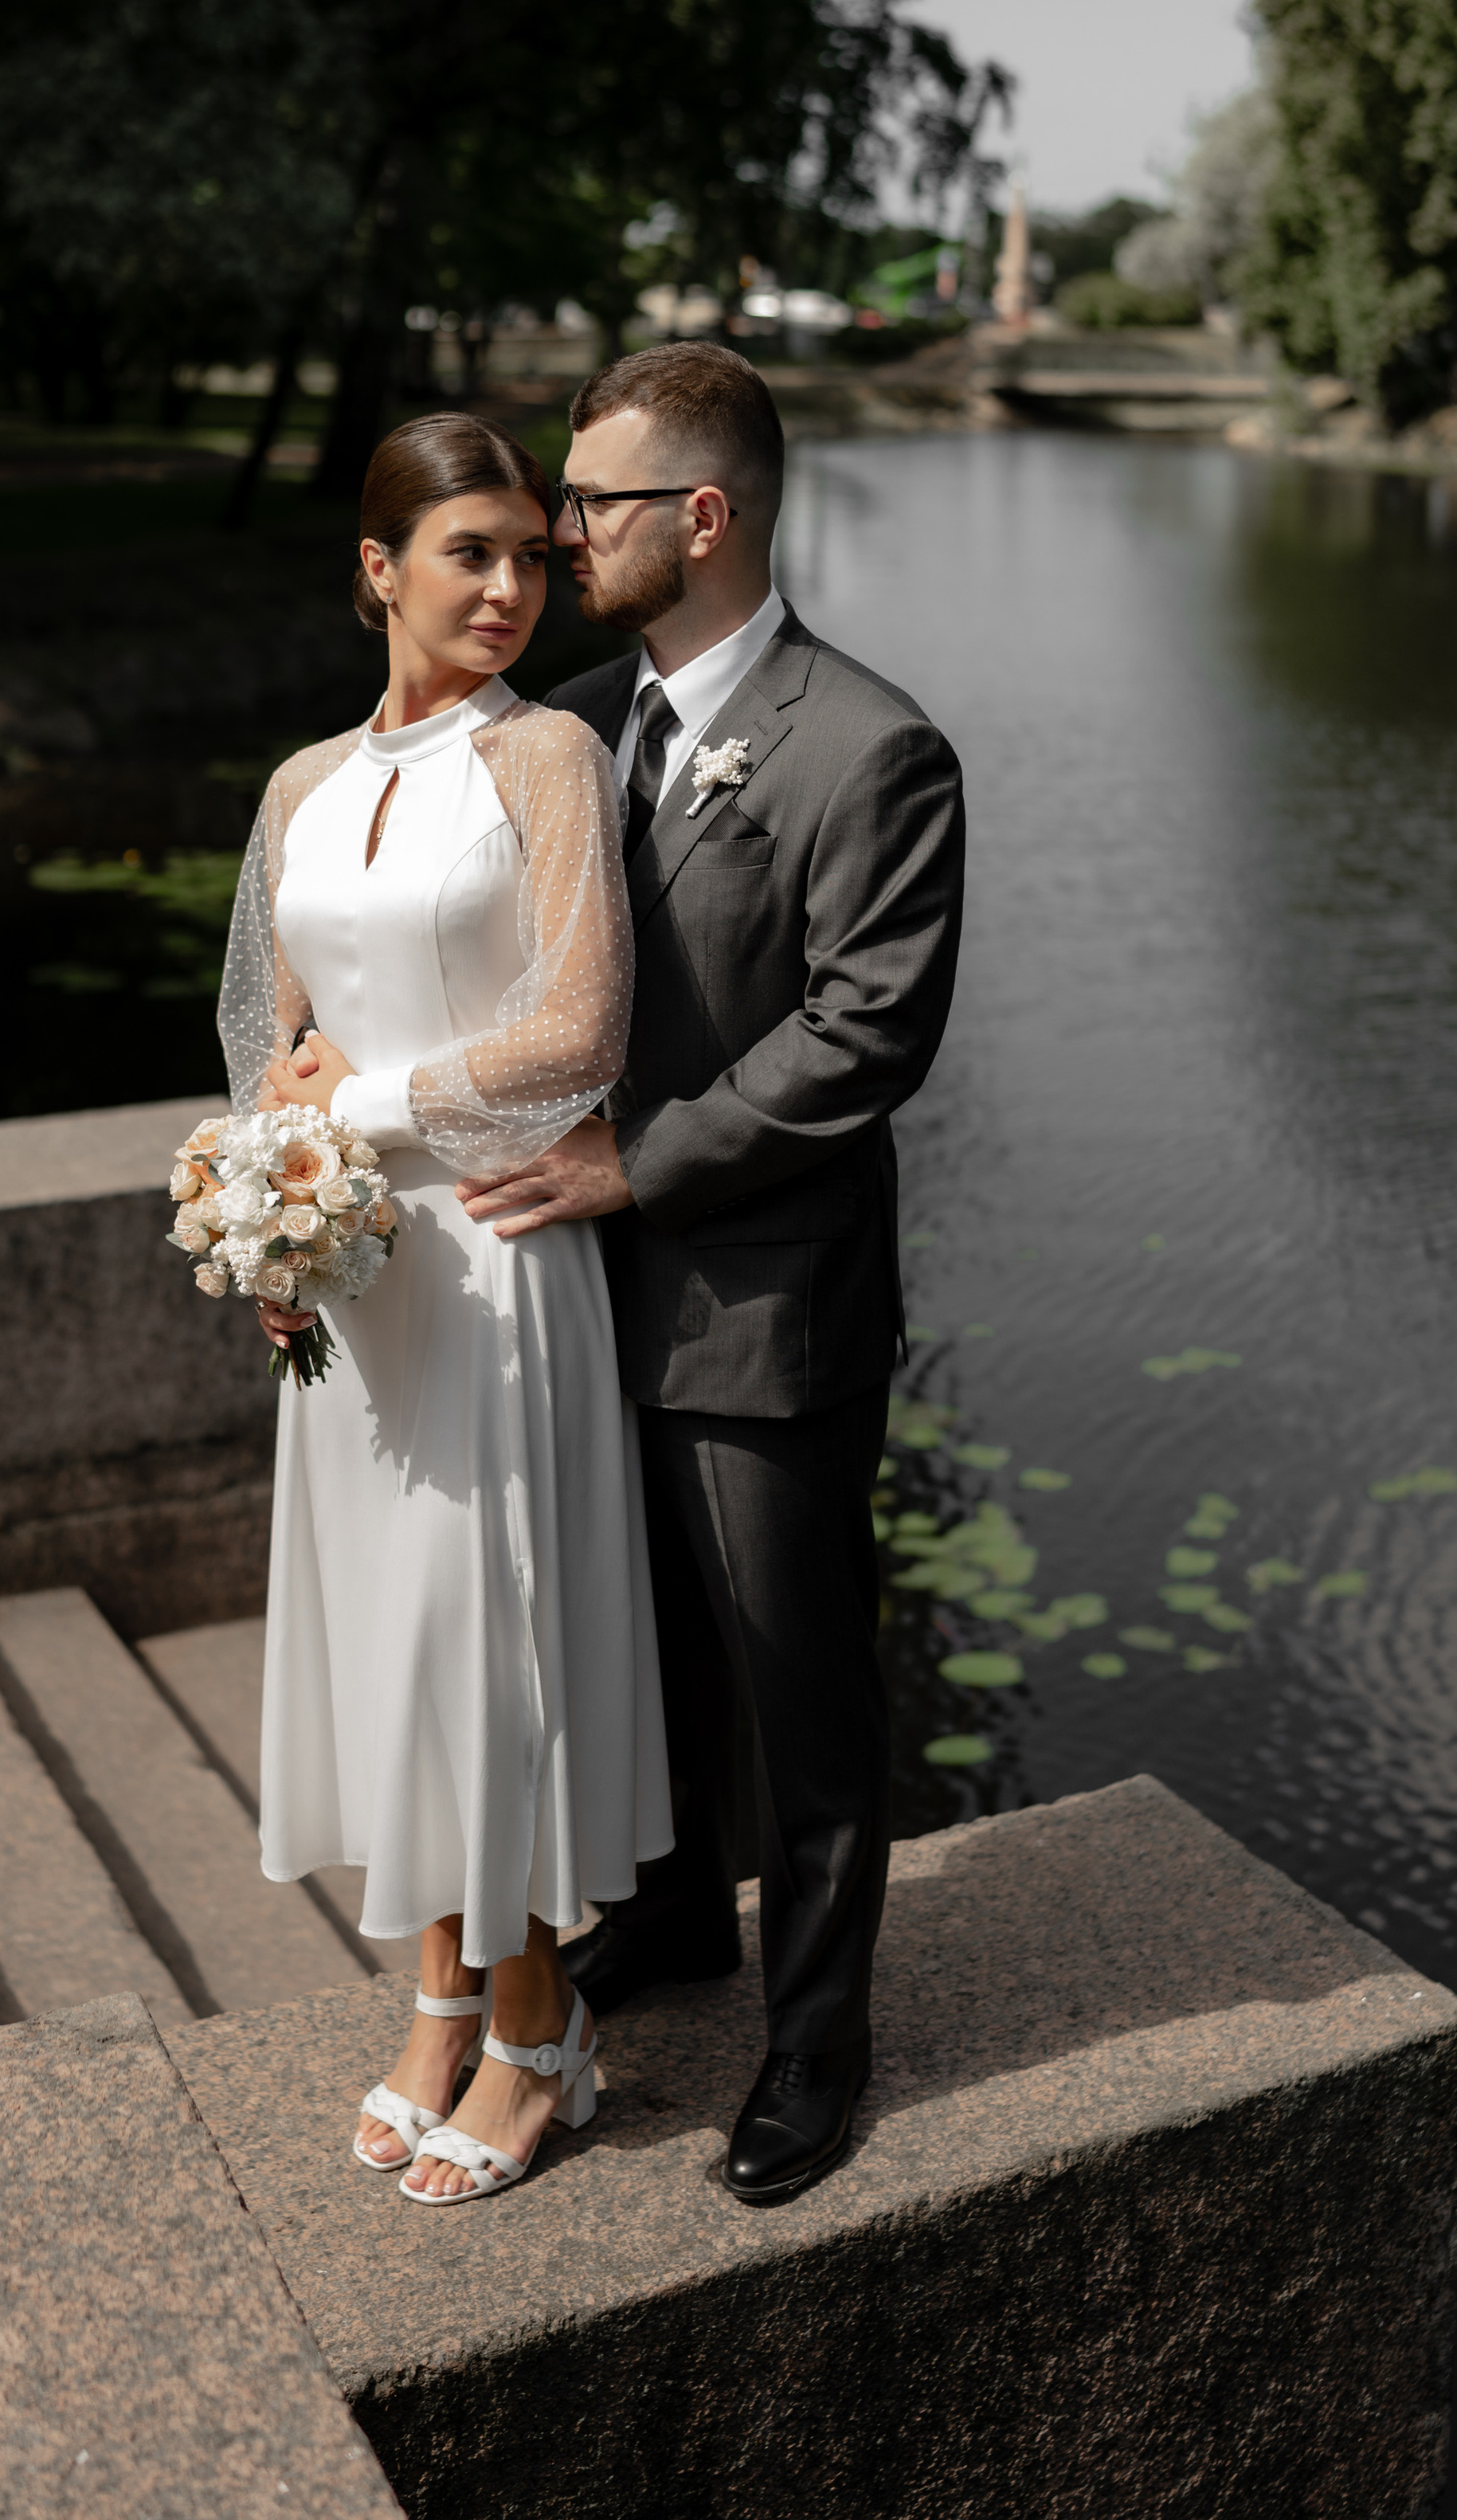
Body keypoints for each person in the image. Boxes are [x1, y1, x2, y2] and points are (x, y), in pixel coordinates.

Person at [456, 341, 965, 2203]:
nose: (557, 530)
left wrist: (632, 1165)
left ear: (703, 515)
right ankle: (669, 1926)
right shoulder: (573, 726)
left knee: (797, 1695)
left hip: (765, 1317)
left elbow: (861, 1040)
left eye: (590, 502)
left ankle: (816, 2049)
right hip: (581, 1307)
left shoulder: (871, 746)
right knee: (642, 1655)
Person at [221, 411, 671, 2208]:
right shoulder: (297, 790)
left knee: (490, 1651)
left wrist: (361, 1118)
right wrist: (270, 1208)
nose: (506, 587)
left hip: (493, 1252)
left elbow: (579, 1039)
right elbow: (262, 1027)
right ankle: (432, 1999)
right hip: (354, 1278)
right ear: (376, 572)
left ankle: (539, 2023)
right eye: (466, 553)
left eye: (529, 556)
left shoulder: (548, 758)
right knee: (387, 1651)